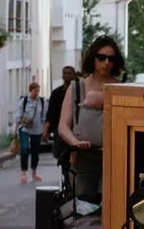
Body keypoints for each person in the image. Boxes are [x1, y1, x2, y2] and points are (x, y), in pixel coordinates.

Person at [57, 36, 124, 200]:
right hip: (84, 160)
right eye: (101, 57)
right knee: (85, 204)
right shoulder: (77, 87)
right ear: (93, 58)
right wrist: (75, 143)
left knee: (115, 203)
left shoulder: (123, 88)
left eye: (111, 58)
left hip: (116, 159)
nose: (106, 62)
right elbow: (63, 126)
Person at [42, 65, 76, 176]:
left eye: (69, 73)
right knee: (62, 156)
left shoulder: (79, 92)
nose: (67, 75)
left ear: (74, 75)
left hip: (76, 129)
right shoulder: (56, 93)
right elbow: (50, 113)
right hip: (60, 130)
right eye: (65, 73)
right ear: (62, 76)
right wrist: (45, 130)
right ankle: (65, 178)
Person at [14, 82, 46, 184]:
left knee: (35, 151)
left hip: (37, 129)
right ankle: (23, 172)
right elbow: (18, 116)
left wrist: (45, 131)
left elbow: (44, 117)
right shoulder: (24, 101)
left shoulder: (42, 102)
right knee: (24, 149)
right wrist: (15, 131)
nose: (36, 93)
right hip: (24, 129)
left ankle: (34, 171)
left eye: (38, 91)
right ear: (30, 91)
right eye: (34, 91)